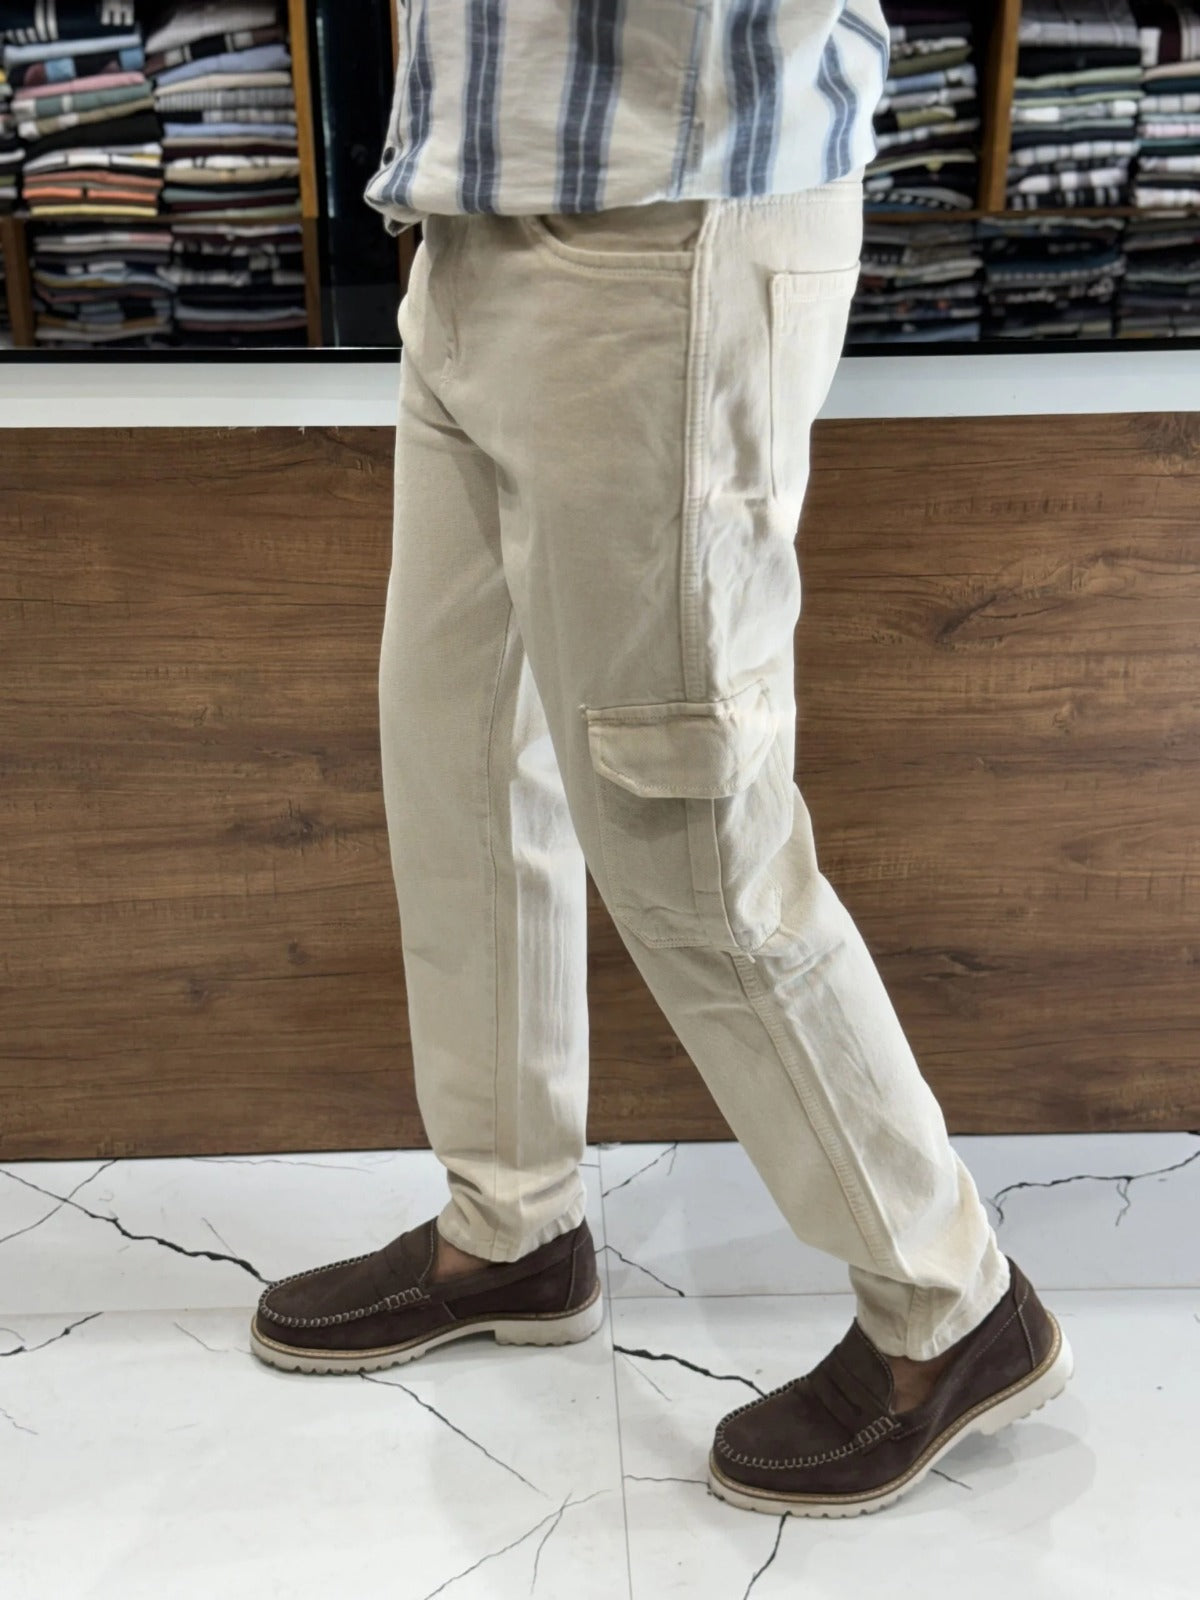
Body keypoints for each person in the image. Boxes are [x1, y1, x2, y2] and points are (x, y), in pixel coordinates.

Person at [249, 0, 1074, 1518]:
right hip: (470, 203)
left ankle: (950, 1304)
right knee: (455, 763)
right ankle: (512, 1225)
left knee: (688, 822)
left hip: (669, 218)